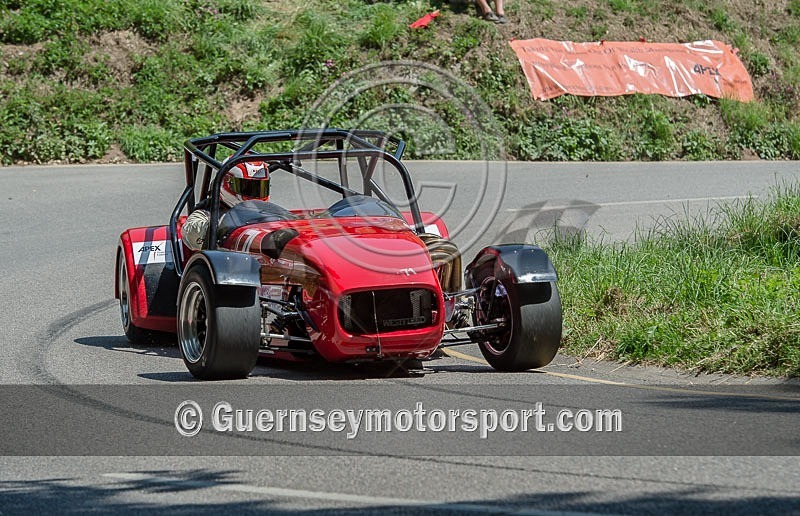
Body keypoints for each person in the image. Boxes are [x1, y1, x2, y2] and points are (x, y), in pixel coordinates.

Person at [182, 160, 272, 251]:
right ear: (227, 184)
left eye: (260, 188)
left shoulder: (267, 214)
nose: (255, 194)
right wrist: (223, 228)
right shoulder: (205, 214)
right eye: (248, 188)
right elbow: (191, 233)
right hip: (223, 262)